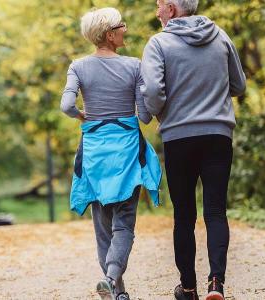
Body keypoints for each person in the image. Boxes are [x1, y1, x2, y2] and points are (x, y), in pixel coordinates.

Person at [140, 0, 246, 299]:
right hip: (218, 134)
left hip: (179, 137)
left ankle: (188, 287)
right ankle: (217, 282)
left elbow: (153, 93)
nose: (157, 11)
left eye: (160, 5)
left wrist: (162, 113)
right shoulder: (221, 36)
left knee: (184, 215)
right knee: (215, 211)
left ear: (172, 9)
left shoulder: (159, 43)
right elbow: (238, 84)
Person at [60, 7, 162, 300]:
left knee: (103, 225)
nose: (125, 29)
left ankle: (117, 290)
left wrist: (83, 116)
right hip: (126, 152)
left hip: (94, 152)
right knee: (124, 223)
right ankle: (111, 277)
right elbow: (144, 116)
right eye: (121, 25)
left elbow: (66, 106)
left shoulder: (78, 67)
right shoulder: (134, 66)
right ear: (109, 34)